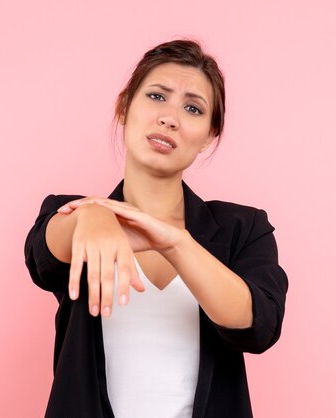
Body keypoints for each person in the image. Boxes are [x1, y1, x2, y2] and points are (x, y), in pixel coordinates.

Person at [24, 39, 289, 418]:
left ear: (210, 135)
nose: (170, 118)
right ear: (123, 107)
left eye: (193, 108)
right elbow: (42, 256)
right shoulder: (70, 214)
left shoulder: (243, 228)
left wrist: (176, 243)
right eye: (157, 96)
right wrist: (91, 215)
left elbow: (258, 325)